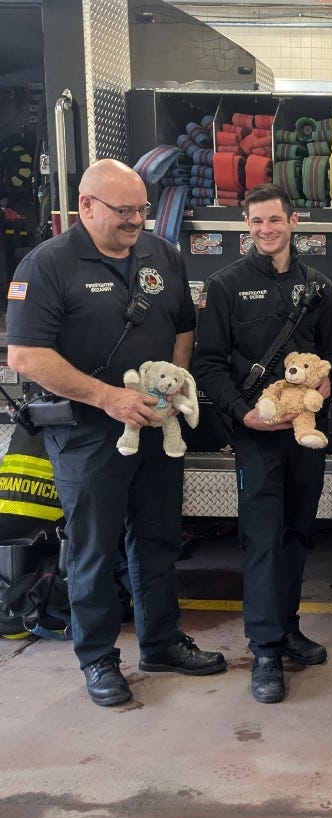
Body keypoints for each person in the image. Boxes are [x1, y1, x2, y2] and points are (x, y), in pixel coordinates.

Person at [5, 158, 225, 707]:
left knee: (156, 539)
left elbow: (183, 327)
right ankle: (99, 658)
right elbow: (27, 355)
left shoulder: (160, 255)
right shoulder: (48, 264)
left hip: (153, 427)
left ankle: (161, 642)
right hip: (86, 433)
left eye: (141, 211)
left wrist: (171, 395)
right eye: (123, 212)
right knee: (93, 550)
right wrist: (108, 398)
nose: (135, 222)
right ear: (85, 207)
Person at [192, 184, 332, 703]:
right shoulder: (225, 285)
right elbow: (208, 363)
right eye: (255, 223)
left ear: (293, 221)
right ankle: (264, 651)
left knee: (297, 533)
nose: (265, 230)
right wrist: (243, 414)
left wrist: (328, 384)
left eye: (273, 220)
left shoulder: (320, 287)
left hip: (304, 436)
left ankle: (289, 627)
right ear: (247, 226)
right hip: (256, 436)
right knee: (261, 538)